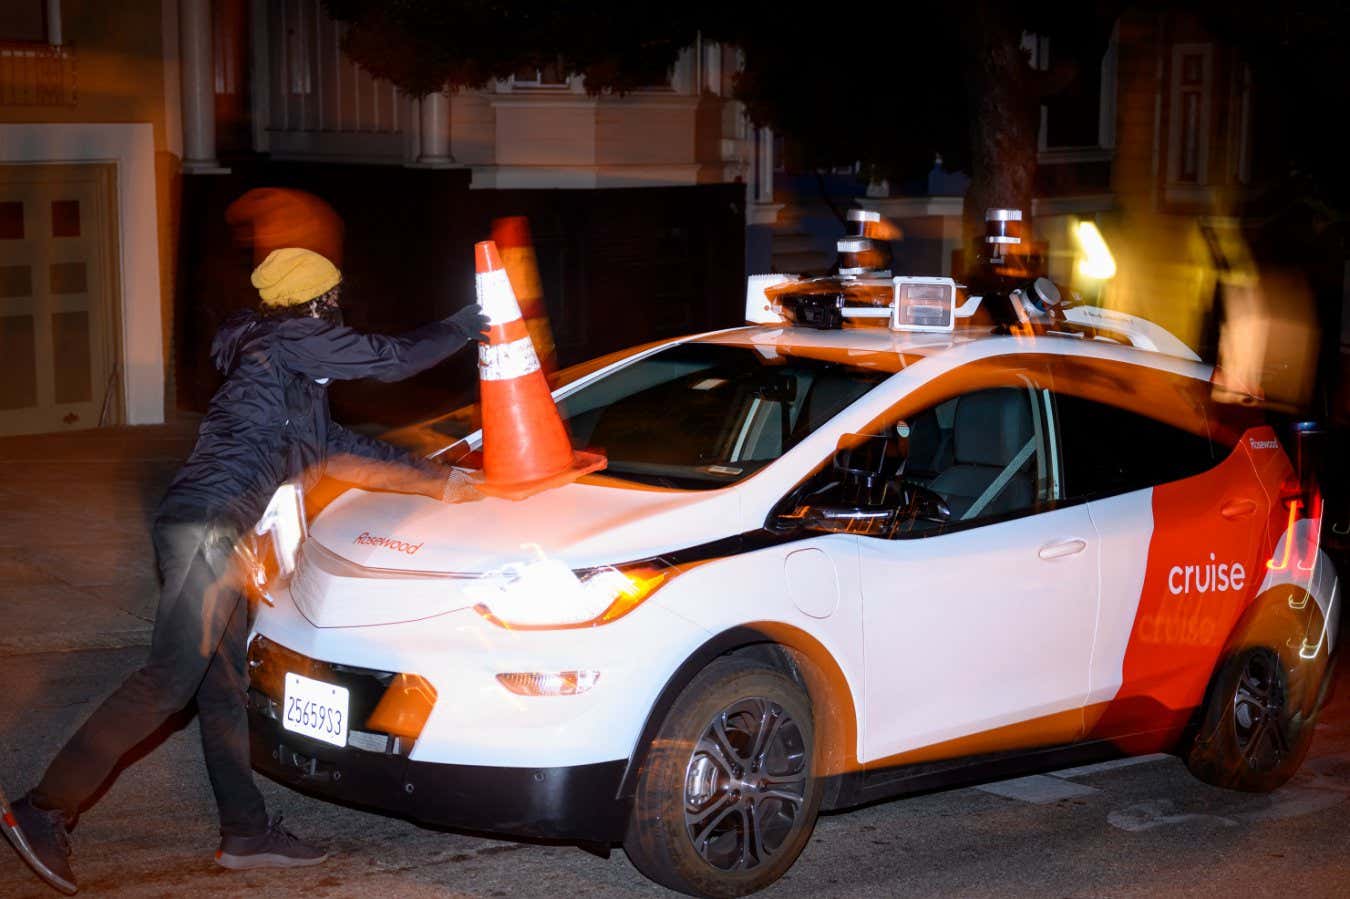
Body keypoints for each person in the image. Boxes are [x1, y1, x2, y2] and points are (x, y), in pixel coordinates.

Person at [2, 248, 488, 895]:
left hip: (223, 537)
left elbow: (338, 446)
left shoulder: (286, 371)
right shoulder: (289, 341)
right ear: (314, 303)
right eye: (332, 299)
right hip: (210, 531)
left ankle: (246, 833)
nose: (338, 309)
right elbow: (391, 359)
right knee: (165, 683)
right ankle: (42, 809)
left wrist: (441, 479)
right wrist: (468, 323)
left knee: (222, 688)